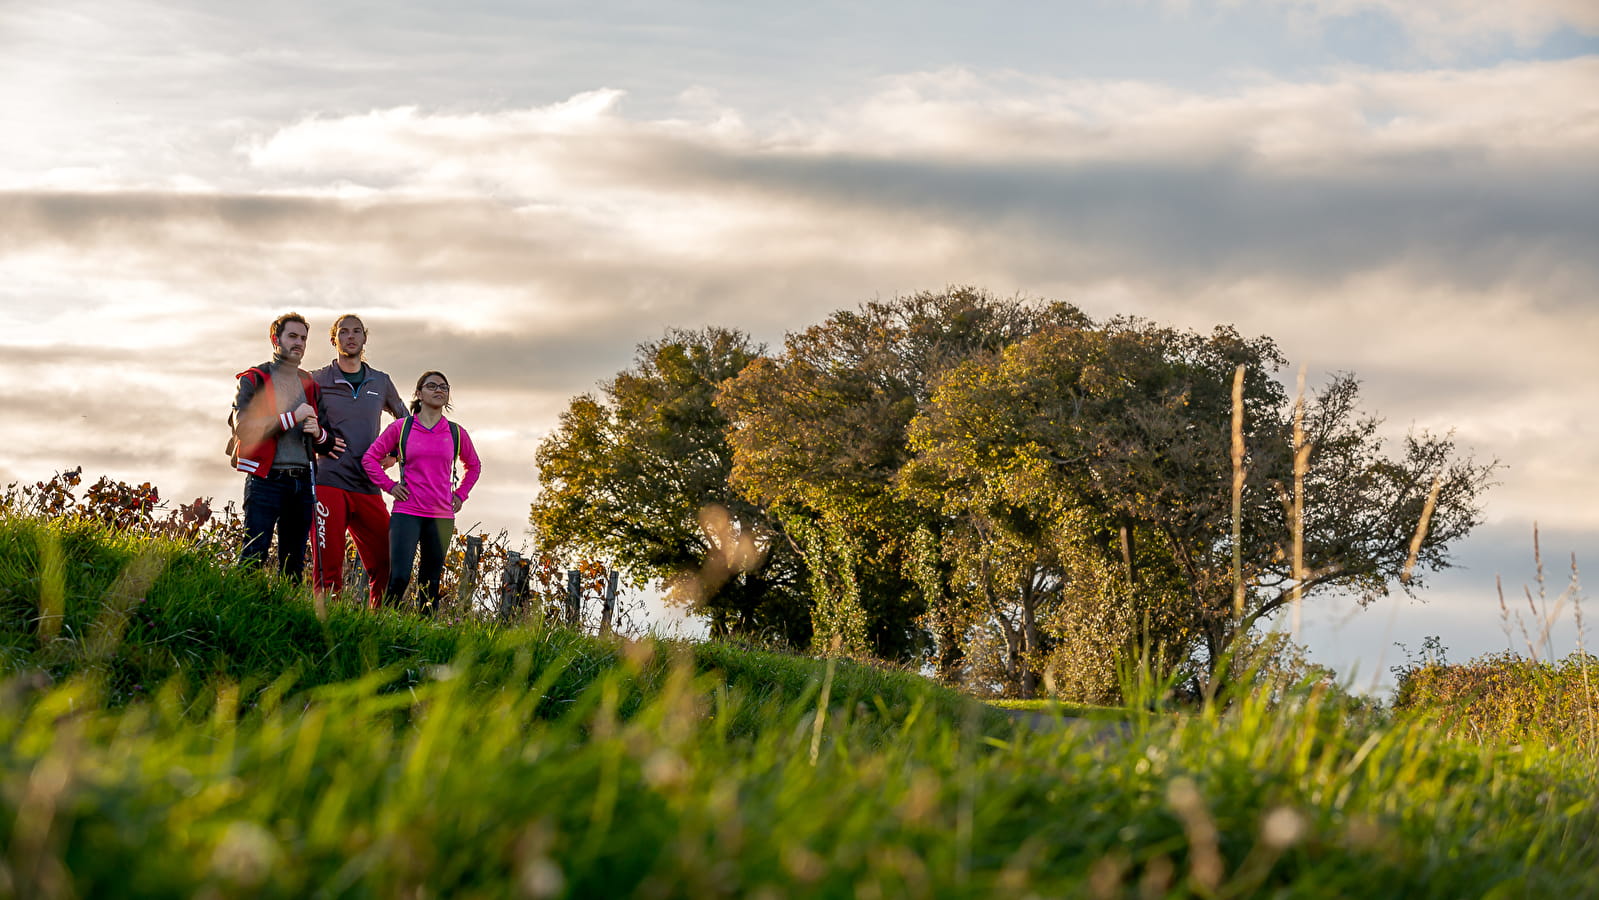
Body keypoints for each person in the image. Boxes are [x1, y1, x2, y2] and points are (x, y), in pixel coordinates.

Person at [232, 313, 344, 578]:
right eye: (292, 336)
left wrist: (318, 433)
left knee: (293, 564)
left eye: (303, 338)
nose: (299, 343)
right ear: (275, 339)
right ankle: (243, 614)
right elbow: (244, 429)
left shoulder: (310, 384)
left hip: (304, 482)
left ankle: (287, 617)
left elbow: (329, 442)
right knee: (253, 555)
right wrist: (290, 418)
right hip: (266, 480)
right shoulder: (254, 379)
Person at [309, 314, 409, 608]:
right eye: (343, 332)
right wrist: (318, 439)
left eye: (356, 332)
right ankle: (327, 626)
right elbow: (297, 417)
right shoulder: (317, 379)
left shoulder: (381, 381)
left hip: (367, 485)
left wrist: (394, 455)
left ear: (364, 338)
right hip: (328, 482)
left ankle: (380, 625)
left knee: (387, 563)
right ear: (333, 339)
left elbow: (407, 424)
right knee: (328, 570)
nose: (350, 337)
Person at [361, 371, 481, 614]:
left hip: (441, 517)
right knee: (399, 578)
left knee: (430, 584)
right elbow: (369, 459)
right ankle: (385, 625)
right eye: (432, 386)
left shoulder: (456, 433)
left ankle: (424, 635)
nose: (439, 390)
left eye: (444, 387)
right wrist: (391, 486)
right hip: (407, 513)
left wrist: (459, 495)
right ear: (418, 393)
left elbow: (474, 466)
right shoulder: (401, 428)